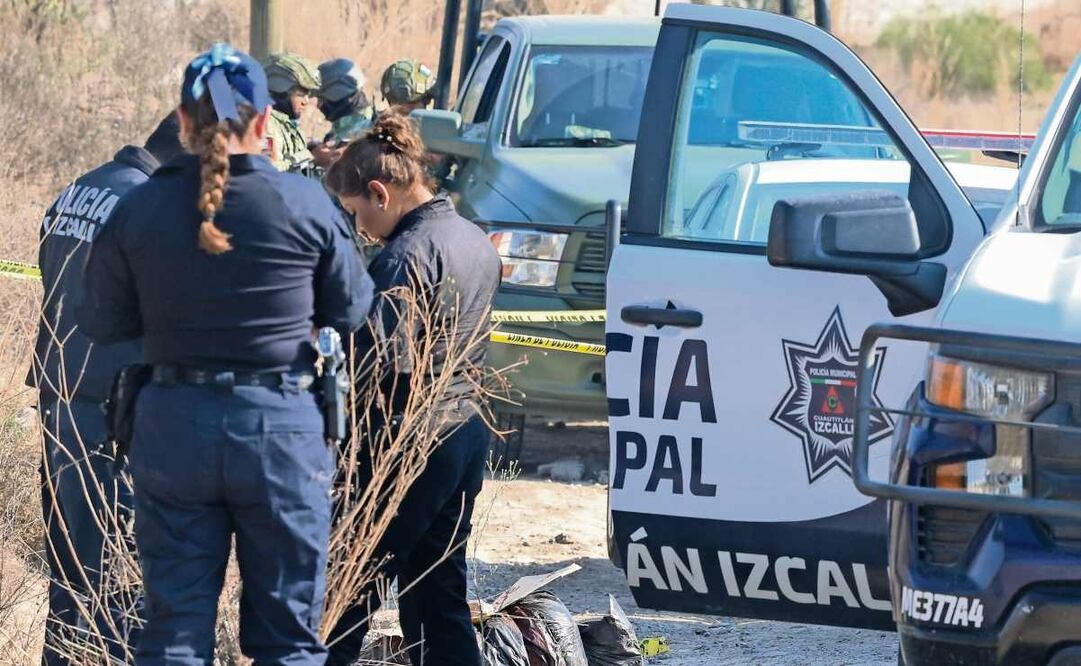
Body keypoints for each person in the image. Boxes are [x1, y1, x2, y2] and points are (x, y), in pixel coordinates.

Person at [77, 43, 373, 663]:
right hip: (280, 432)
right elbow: (350, 311)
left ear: (183, 123)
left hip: (172, 428)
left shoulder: (139, 208)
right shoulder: (306, 204)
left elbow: (101, 321)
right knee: (286, 640)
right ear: (265, 125)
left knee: (174, 635)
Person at [323, 113, 500, 666]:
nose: (359, 228)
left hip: (410, 441)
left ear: (379, 193)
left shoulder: (405, 258)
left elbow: (379, 366)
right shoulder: (474, 238)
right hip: (465, 432)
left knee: (347, 591)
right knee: (436, 593)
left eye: (356, 213)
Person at [31, 113, 182, 665]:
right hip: (113, 415)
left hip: (62, 396)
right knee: (115, 577)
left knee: (69, 567)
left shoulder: (81, 188)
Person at [262, 51, 321, 172]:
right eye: (301, 95)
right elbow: (267, 171)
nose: (306, 101)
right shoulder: (266, 125)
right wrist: (310, 158)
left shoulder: (286, 123)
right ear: (279, 90)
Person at [312, 58, 375, 169]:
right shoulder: (342, 129)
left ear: (336, 94)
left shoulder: (368, 132)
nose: (318, 106)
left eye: (321, 99)